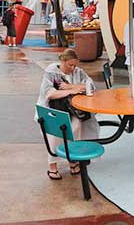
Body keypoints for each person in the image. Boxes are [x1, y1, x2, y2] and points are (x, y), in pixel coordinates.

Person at [36, 49, 96, 180]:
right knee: (54, 133)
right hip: (51, 111)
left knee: (77, 127)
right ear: (62, 61)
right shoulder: (51, 72)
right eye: (70, 65)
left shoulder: (78, 72)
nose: (73, 68)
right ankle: (52, 166)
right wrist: (73, 90)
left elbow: (90, 85)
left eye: (75, 65)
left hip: (71, 110)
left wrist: (70, 87)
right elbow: (50, 94)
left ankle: (73, 160)